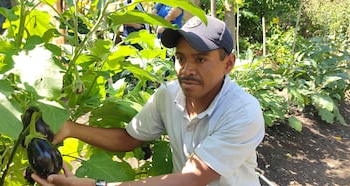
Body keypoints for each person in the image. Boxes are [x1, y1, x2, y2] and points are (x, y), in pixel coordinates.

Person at [32, 15, 265, 186]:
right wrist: (71, 129)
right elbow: (128, 139)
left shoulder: (243, 112)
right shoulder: (169, 95)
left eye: (201, 60)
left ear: (229, 63)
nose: (186, 70)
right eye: (180, 58)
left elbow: (193, 178)